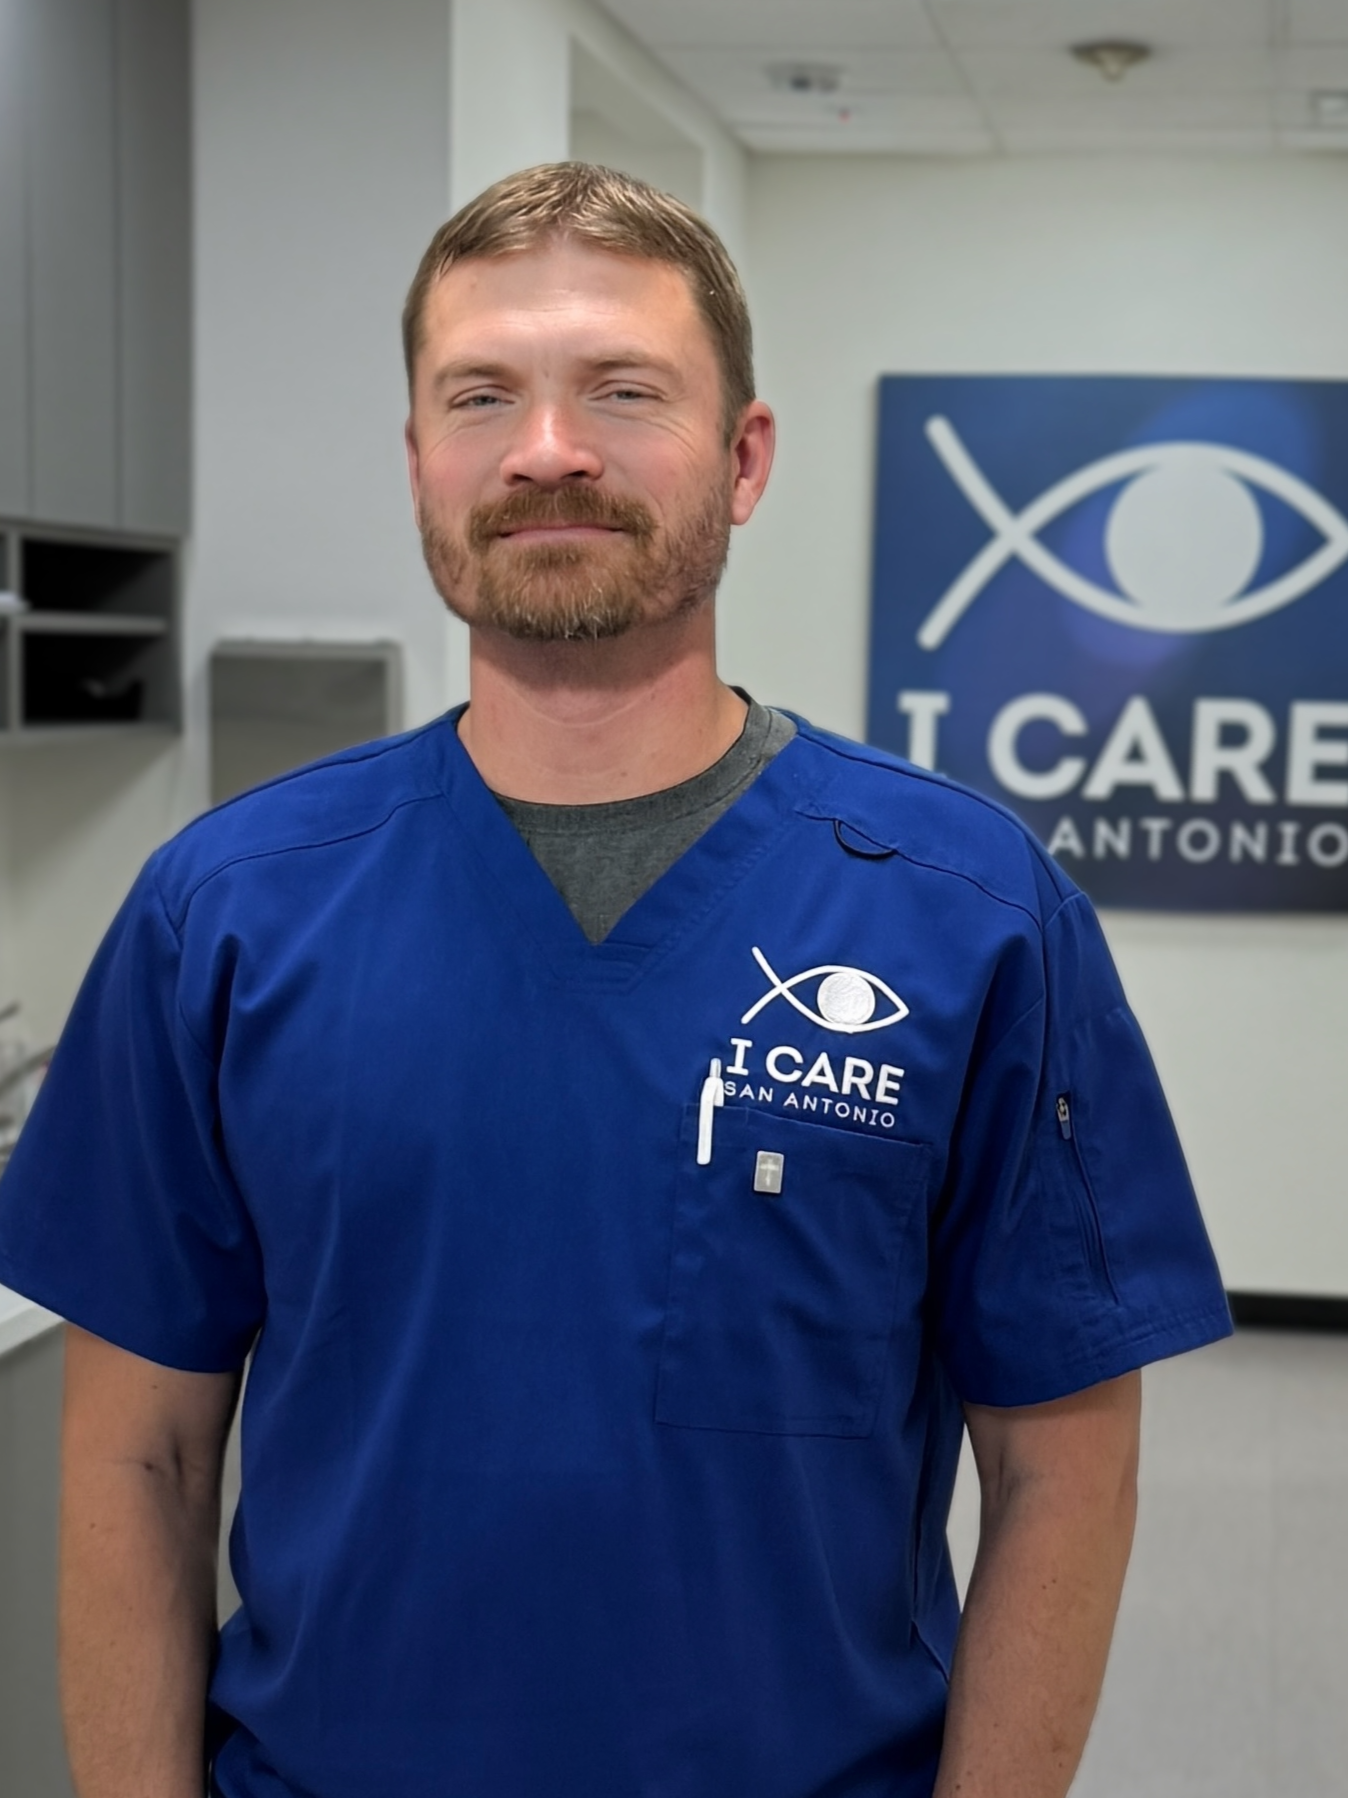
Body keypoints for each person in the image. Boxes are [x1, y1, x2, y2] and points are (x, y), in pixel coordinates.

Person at [0, 163, 1231, 1798]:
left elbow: (1064, 1467)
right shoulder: (220, 916)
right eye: (481, 393)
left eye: (622, 391)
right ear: (420, 459)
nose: (547, 449)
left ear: (744, 459)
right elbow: (137, 1457)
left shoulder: (970, 913)